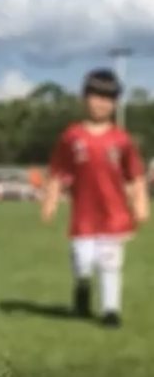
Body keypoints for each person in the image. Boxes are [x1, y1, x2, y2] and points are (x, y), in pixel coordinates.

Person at [42, 68, 149, 328]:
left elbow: (135, 175)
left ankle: (111, 310)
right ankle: (82, 286)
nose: (101, 103)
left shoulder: (121, 140)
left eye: (108, 98)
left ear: (114, 103)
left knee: (110, 262)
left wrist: (141, 203)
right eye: (96, 96)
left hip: (114, 214)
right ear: (85, 98)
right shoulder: (72, 137)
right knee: (83, 261)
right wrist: (51, 200)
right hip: (84, 215)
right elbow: (57, 171)